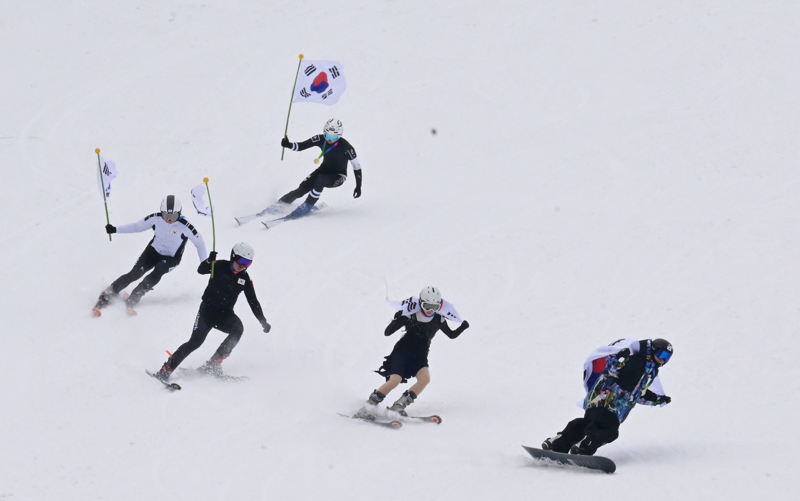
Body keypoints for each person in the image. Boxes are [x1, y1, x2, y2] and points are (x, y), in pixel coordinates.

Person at [154, 242, 271, 381]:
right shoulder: (220, 266)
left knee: (237, 329)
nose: (243, 266)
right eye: (242, 261)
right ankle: (167, 369)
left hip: (225, 315)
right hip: (207, 312)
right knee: (195, 342)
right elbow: (201, 269)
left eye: (248, 263)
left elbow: (253, 301)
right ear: (233, 256)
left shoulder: (244, 279)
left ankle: (213, 364)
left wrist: (262, 321)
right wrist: (209, 261)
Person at [542, 338, 674, 456]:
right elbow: (612, 371)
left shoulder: (649, 371)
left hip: (599, 401)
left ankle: (557, 444)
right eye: (661, 354)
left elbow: (637, 395)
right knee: (609, 431)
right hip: (609, 403)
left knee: (586, 425)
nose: (662, 360)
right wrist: (620, 360)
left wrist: (657, 399)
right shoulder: (637, 360)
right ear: (653, 350)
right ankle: (583, 448)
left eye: (666, 358)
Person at [357, 286, 470, 417]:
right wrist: (397, 319)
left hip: (420, 355)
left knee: (425, 379)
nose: (430, 310)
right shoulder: (411, 315)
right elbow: (387, 333)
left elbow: (451, 334)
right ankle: (368, 406)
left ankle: (398, 406)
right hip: (402, 352)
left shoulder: (439, 319)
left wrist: (462, 327)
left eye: (435, 307)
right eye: (427, 306)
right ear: (420, 303)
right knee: (395, 380)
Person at [94, 195, 207, 311]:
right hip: (153, 251)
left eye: (173, 216)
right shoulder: (155, 218)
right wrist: (115, 229)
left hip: (171, 258)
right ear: (161, 212)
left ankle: (136, 295)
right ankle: (111, 290)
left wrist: (204, 262)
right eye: (166, 215)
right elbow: (137, 226)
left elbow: (200, 243)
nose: (169, 219)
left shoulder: (186, 226)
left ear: (179, 213)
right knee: (135, 273)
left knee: (158, 271)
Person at [274, 118, 362, 219]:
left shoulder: (346, 147)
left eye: (334, 137)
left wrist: (358, 186)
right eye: (328, 135)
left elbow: (357, 166)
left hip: (338, 176)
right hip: (323, 170)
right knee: (300, 190)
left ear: (340, 135)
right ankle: (280, 204)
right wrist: (288, 145)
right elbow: (302, 146)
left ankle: (308, 205)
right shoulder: (320, 139)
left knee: (321, 179)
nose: (330, 139)